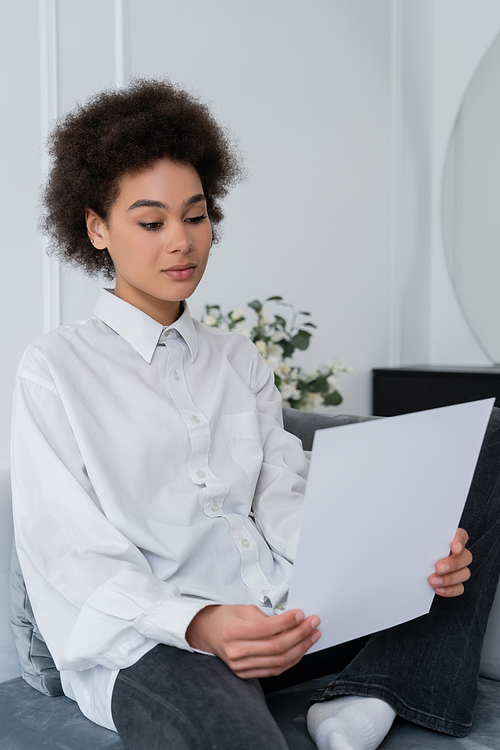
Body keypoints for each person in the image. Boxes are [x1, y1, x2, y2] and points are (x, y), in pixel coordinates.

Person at [10, 78, 500, 750]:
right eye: (151, 222)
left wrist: (400, 554)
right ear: (96, 227)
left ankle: (371, 691)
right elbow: (75, 560)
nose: (181, 241)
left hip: (289, 617)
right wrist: (204, 623)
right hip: (160, 646)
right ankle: (367, 685)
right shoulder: (54, 368)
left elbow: (281, 501)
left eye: (196, 215)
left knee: (488, 443)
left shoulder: (237, 359)